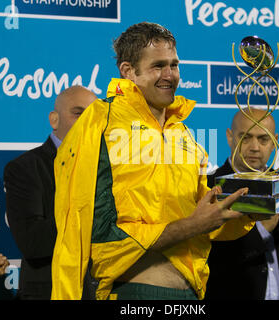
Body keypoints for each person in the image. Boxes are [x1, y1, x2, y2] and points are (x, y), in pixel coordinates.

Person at [50, 22, 256, 300]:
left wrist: (246, 211)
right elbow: (86, 230)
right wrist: (192, 225)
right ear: (128, 71)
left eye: (174, 65)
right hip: (133, 293)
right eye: (158, 66)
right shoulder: (99, 122)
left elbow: (201, 218)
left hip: (191, 295)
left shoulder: (182, 133)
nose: (169, 75)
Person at [205, 108, 279, 300]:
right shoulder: (209, 186)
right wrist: (260, 231)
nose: (255, 147)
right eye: (246, 137)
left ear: (274, 142)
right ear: (230, 137)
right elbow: (208, 260)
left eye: (263, 139)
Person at [4, 85, 97, 299]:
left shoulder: (109, 168)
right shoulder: (25, 168)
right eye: (78, 113)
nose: (87, 122)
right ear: (54, 119)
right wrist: (91, 214)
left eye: (94, 116)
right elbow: (33, 242)